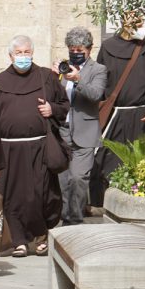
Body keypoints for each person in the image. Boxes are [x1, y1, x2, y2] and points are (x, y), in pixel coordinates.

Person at [0, 36, 70, 257]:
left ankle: (40, 236)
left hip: (39, 147)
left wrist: (52, 109)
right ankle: (18, 241)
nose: (23, 56)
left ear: (32, 53)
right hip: (9, 151)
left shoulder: (46, 78)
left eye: (27, 52)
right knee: (12, 196)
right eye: (19, 53)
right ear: (10, 56)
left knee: (41, 194)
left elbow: (65, 105)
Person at [90, 10, 145, 206]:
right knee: (106, 158)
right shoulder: (108, 47)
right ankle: (103, 200)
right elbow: (100, 77)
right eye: (137, 23)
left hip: (140, 115)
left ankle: (137, 200)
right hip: (114, 113)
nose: (141, 27)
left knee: (139, 160)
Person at [53, 28, 107, 226]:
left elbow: (96, 94)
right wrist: (52, 76)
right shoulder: (63, 68)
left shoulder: (98, 70)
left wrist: (78, 79)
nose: (75, 53)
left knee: (78, 178)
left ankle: (74, 219)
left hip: (85, 132)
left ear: (89, 49)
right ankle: (65, 215)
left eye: (79, 49)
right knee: (62, 179)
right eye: (71, 49)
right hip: (62, 131)